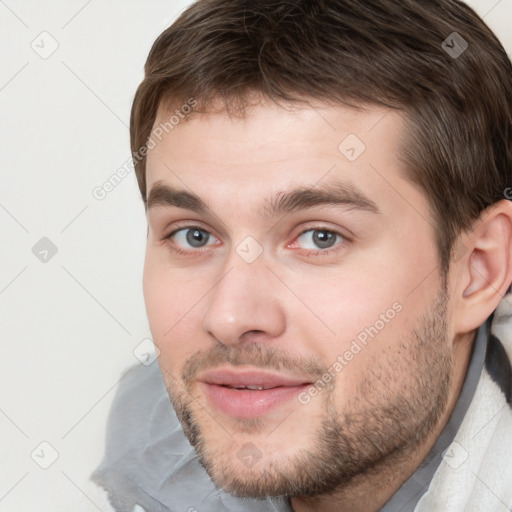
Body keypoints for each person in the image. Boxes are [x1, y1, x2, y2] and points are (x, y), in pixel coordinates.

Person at [91, 0, 512, 510]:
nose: (227, 318)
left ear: (477, 270)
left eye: (320, 237)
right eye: (194, 235)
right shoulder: (152, 437)